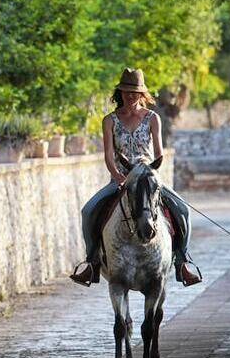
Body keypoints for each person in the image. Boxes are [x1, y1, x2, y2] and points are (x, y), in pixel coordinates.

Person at [70, 68, 202, 287]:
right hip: (121, 179)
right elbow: (108, 154)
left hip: (148, 178)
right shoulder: (110, 120)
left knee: (183, 210)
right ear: (119, 93)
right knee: (88, 210)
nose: (130, 96)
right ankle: (92, 262)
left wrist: (152, 174)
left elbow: (159, 153)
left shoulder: (153, 118)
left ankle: (182, 261)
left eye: (135, 92)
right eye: (126, 92)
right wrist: (117, 176)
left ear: (142, 94)